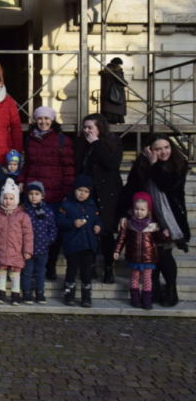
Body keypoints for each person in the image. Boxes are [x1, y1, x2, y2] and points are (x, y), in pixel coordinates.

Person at [123, 134, 190, 306]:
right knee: (151, 256)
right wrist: (126, 214)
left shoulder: (178, 163)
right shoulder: (141, 165)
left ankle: (171, 290)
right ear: (149, 150)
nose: (163, 152)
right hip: (146, 216)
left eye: (166, 147)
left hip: (169, 217)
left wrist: (154, 164)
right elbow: (131, 188)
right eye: (158, 149)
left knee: (165, 255)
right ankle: (154, 290)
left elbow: (166, 185)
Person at [18, 105, 74, 279]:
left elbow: (69, 168)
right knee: (32, 230)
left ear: (52, 120)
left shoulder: (62, 140)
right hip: (33, 192)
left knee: (52, 231)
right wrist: (21, 181)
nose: (43, 122)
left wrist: (67, 190)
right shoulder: (30, 139)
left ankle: (50, 266)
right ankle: (32, 266)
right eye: (40, 119)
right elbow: (27, 164)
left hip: (55, 193)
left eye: (46, 119)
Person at [75, 113, 122, 284]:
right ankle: (91, 265)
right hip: (89, 193)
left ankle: (109, 268)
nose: (86, 131)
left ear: (99, 128)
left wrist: (96, 143)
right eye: (85, 127)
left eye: (90, 127)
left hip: (108, 194)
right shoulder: (82, 143)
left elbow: (111, 163)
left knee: (107, 232)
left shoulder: (112, 142)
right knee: (89, 231)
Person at [114, 192, 165, 310]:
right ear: (133, 209)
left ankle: (147, 300)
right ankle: (135, 299)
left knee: (147, 279)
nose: (139, 212)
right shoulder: (130, 224)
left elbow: (158, 239)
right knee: (135, 278)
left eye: (142, 209)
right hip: (134, 256)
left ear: (148, 210)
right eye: (136, 209)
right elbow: (122, 238)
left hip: (148, 257)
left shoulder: (152, 226)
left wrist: (163, 234)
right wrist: (117, 250)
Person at [57, 175, 102, 308]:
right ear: (74, 190)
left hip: (88, 244)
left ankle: (86, 297)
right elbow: (60, 221)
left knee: (86, 271)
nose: (82, 194)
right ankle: (69, 294)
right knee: (72, 269)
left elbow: (98, 220)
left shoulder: (92, 205)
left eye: (86, 191)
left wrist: (98, 226)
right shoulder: (67, 204)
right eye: (79, 190)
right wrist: (72, 223)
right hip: (73, 244)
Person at [0, 179, 33, 306]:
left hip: (16, 250)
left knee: (15, 273)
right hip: (1, 249)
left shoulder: (23, 216)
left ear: (16, 199)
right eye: (6, 198)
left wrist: (27, 250)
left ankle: (15, 294)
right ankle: (1, 292)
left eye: (11, 198)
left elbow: (28, 235)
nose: (8, 201)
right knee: (1, 271)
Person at [21, 181, 58, 305]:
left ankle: (40, 292)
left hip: (43, 248)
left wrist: (48, 240)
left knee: (40, 272)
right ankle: (26, 293)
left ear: (42, 195)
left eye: (37, 193)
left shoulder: (48, 211)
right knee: (27, 272)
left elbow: (53, 228)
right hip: (27, 249)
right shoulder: (24, 211)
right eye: (31, 193)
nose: (33, 196)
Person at [100, 57, 127, 124]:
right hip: (115, 98)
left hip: (107, 98)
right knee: (114, 119)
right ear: (118, 64)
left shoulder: (106, 71)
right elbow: (122, 82)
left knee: (108, 120)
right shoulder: (116, 71)